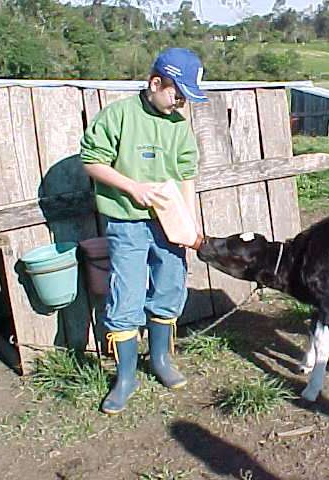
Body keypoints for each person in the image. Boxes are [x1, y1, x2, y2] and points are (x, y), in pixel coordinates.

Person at [80, 48, 207, 414]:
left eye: (185, 97)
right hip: (126, 221)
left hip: (168, 223)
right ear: (155, 83)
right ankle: (126, 376)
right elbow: (92, 161)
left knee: (169, 286)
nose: (180, 102)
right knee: (127, 293)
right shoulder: (119, 116)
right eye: (177, 94)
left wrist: (188, 224)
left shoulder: (179, 125)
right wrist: (132, 188)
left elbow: (186, 177)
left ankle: (161, 361)